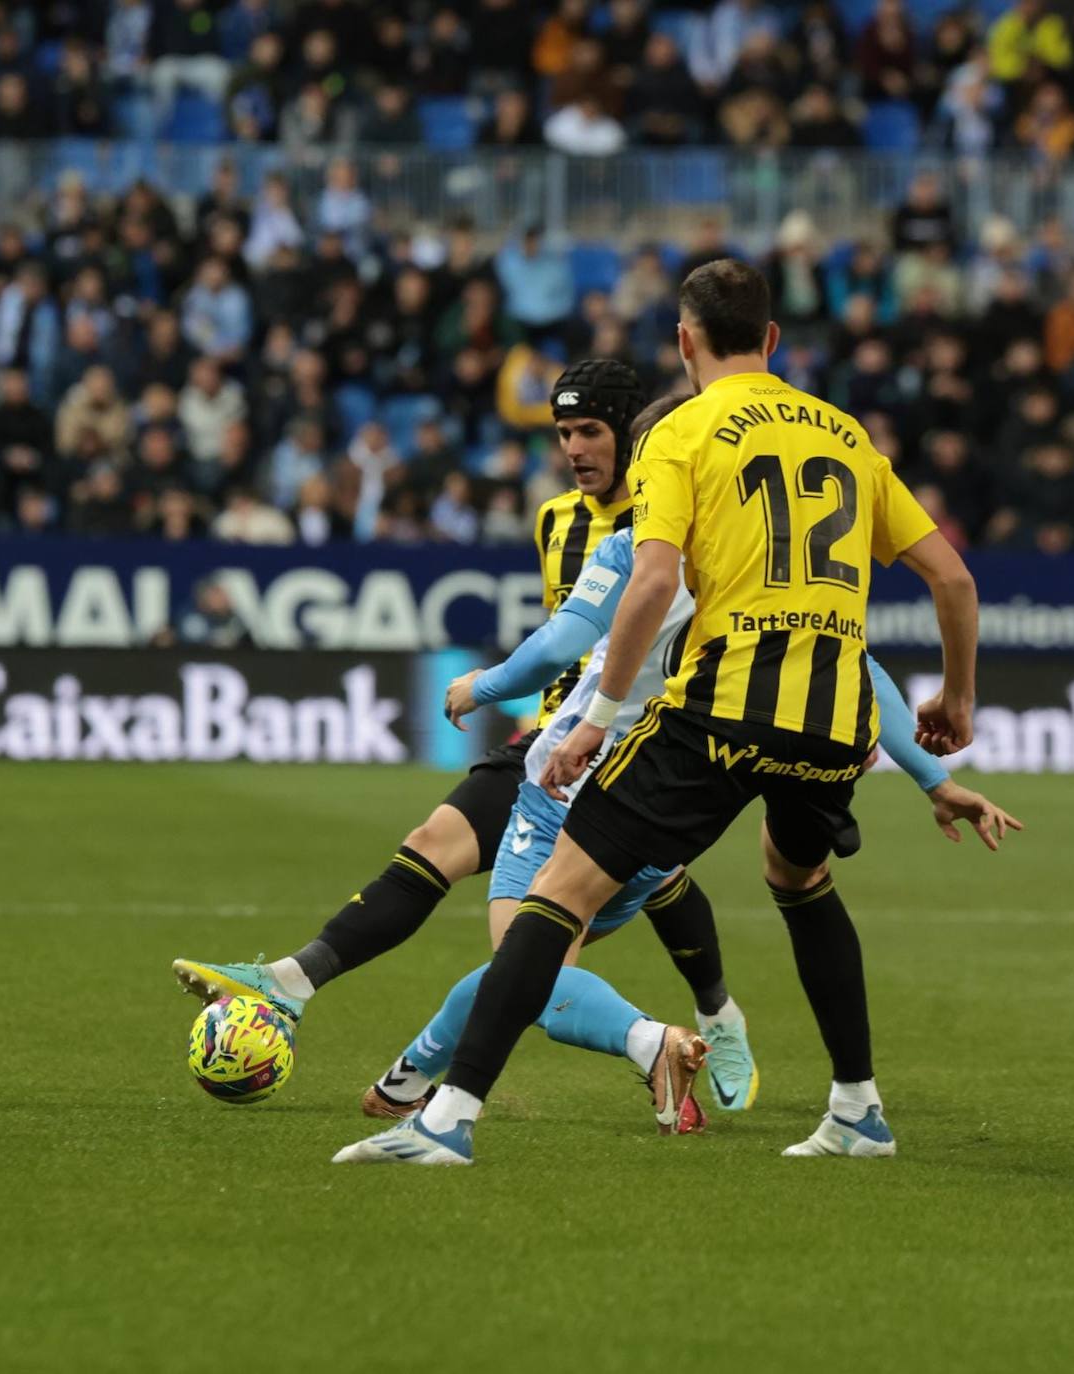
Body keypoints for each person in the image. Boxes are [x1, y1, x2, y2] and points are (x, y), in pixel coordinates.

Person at [348, 258, 994, 1167]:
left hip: (725, 708)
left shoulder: (679, 434)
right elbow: (952, 578)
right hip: (834, 720)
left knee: (558, 894)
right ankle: (856, 1109)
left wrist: (596, 716)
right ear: (772, 339)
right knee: (798, 879)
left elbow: (651, 580)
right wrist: (953, 705)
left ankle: (446, 1121)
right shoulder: (846, 435)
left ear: (685, 342)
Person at [170, 363, 722, 1060]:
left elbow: (564, 639)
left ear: (636, 435)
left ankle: (708, 1021)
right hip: (555, 742)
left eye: (590, 431)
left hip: (635, 749)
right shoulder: (555, 519)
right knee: (437, 844)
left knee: (558, 944)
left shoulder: (665, 530)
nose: (574, 449)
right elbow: (565, 634)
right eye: (562, 434)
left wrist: (486, 684)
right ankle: (297, 985)